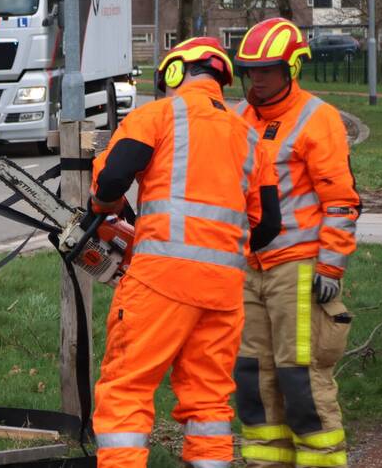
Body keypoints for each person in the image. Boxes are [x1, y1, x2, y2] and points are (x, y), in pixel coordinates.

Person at [90, 37, 281, 468]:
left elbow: (113, 178)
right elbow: (268, 225)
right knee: (209, 401)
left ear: (175, 72)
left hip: (161, 281)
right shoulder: (250, 138)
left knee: (127, 388)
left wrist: (103, 210)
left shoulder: (157, 115)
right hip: (223, 291)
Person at [232, 18, 359, 468]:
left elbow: (341, 202)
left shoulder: (316, 118)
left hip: (299, 269)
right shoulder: (239, 118)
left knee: (301, 378)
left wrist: (330, 266)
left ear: (292, 67)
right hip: (248, 269)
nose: (257, 77)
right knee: (253, 378)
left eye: (267, 68)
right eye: (251, 69)